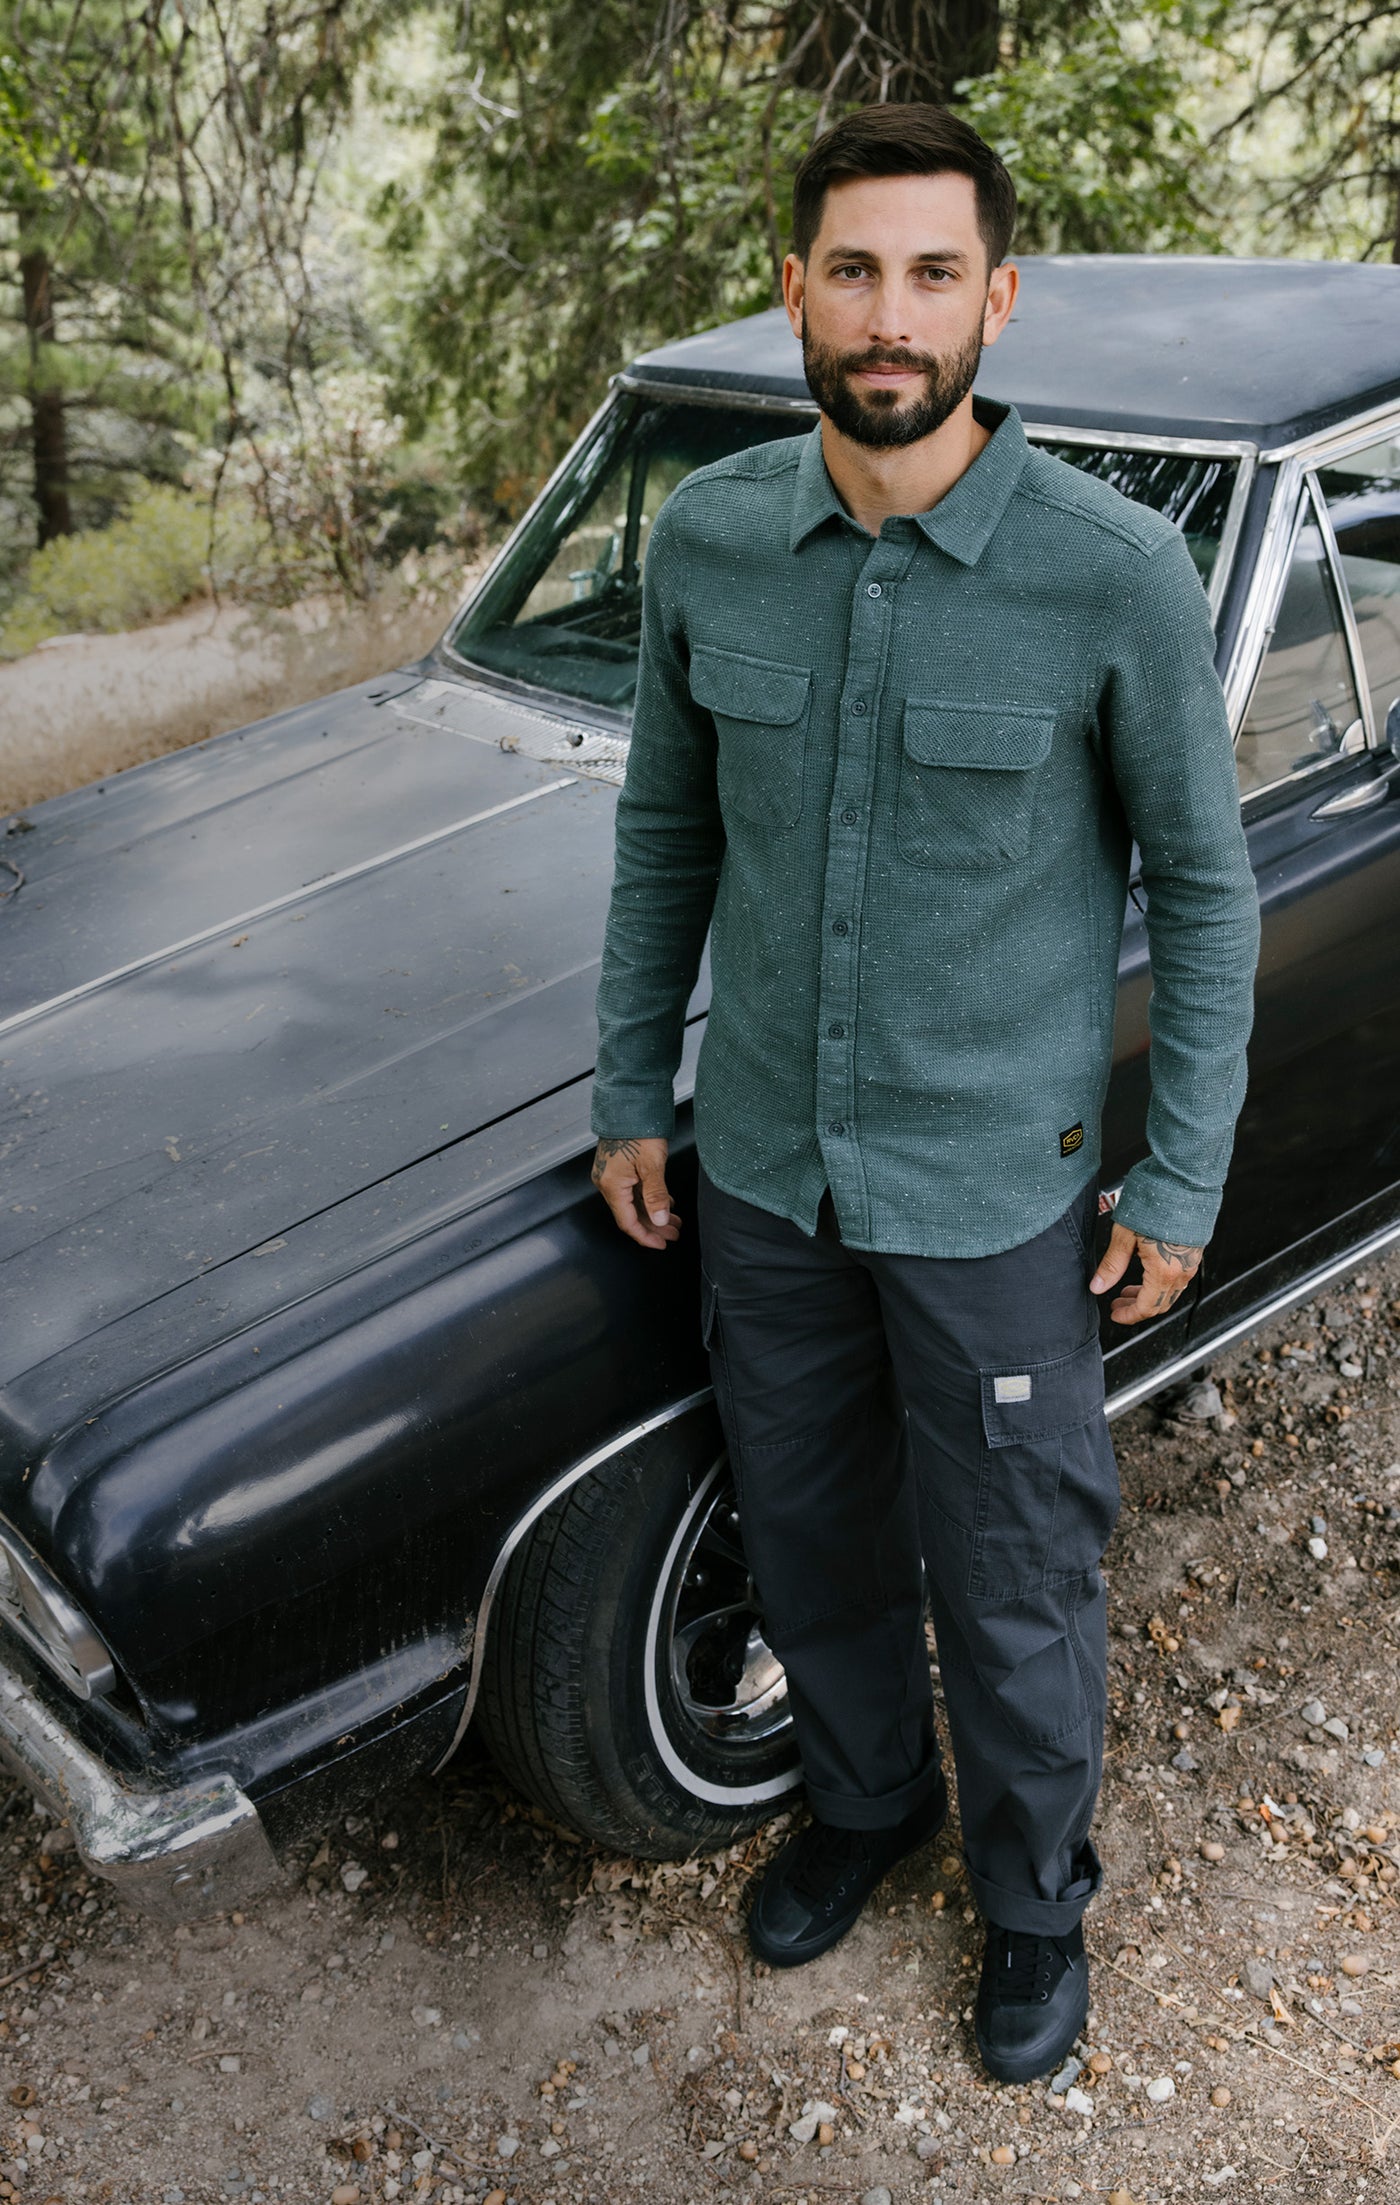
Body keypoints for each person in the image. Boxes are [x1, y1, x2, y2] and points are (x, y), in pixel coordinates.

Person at [588, 102, 1260, 2084]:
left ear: (998, 297)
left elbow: (1205, 895)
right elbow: (660, 837)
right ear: (794, 289)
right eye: (855, 270)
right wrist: (637, 1077)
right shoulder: (711, 540)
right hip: (770, 1175)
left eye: (934, 272)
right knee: (806, 1520)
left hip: (998, 1201)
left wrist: (1184, 1163)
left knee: (1016, 1570)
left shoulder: (1110, 573)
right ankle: (865, 1798)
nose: (892, 316)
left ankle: (1037, 1900)